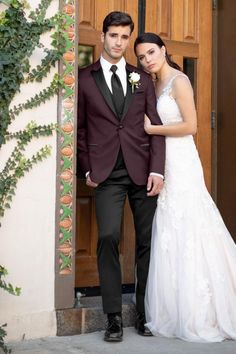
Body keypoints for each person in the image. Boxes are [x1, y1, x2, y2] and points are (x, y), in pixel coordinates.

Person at [134, 32, 236, 343]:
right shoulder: (150, 85)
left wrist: (154, 129)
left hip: (182, 161)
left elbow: (191, 125)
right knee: (167, 229)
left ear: (163, 50)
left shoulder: (179, 81)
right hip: (161, 163)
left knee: (191, 224)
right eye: (141, 56)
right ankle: (171, 309)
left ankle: (204, 309)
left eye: (151, 52)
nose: (147, 59)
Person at [77, 14, 165, 342]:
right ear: (102, 36)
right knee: (108, 237)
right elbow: (81, 129)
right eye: (113, 35)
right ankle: (113, 317)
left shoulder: (141, 78)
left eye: (124, 37)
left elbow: (154, 125)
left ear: (129, 40)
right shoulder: (85, 78)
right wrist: (87, 166)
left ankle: (143, 314)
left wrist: (157, 169)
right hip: (106, 174)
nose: (119, 42)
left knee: (146, 243)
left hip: (142, 171)